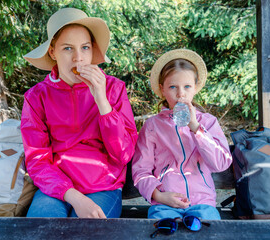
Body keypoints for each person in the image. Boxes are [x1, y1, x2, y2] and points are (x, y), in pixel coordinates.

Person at [21, 8, 138, 218]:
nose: (78, 58)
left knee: (83, 232)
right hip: (55, 189)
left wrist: (102, 102)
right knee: (41, 229)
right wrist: (73, 195)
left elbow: (123, 155)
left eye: (85, 47)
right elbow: (37, 160)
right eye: (68, 49)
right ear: (52, 52)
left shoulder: (113, 89)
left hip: (103, 187)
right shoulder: (36, 97)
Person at [132, 49, 232, 220]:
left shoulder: (208, 122)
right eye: (172, 87)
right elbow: (141, 171)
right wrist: (159, 195)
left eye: (187, 86)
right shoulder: (152, 126)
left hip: (203, 203)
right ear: (162, 89)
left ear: (195, 88)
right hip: (165, 204)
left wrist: (195, 128)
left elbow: (221, 163)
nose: (180, 94)